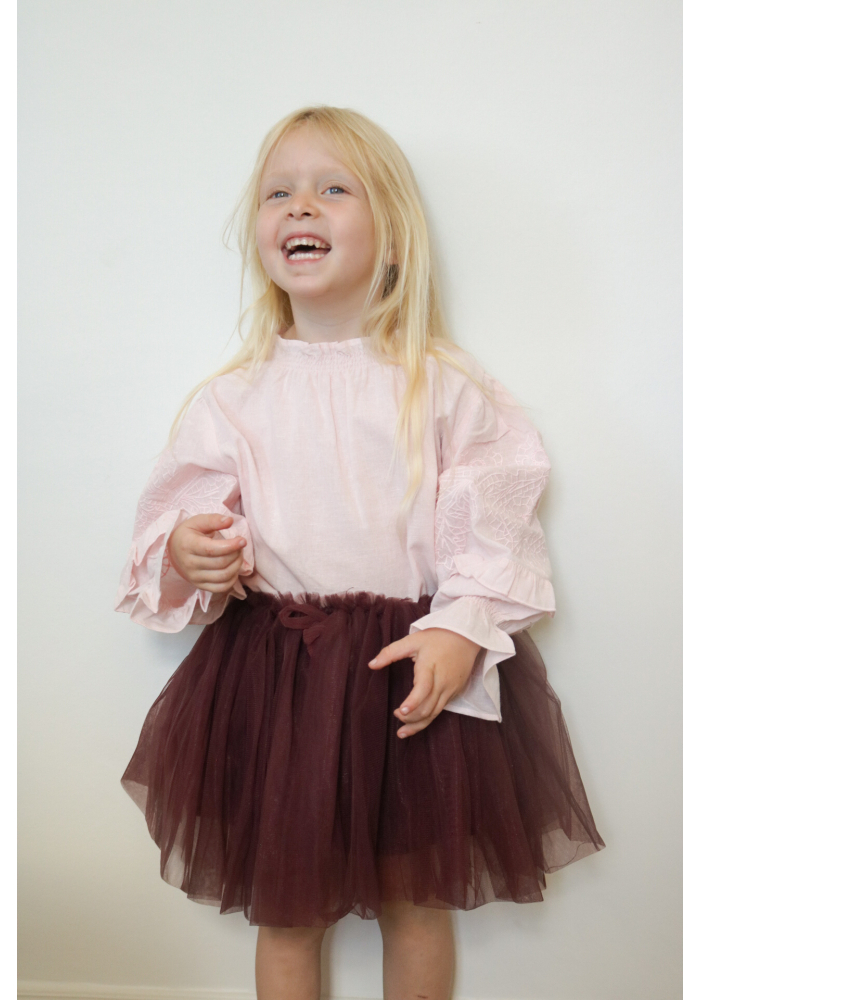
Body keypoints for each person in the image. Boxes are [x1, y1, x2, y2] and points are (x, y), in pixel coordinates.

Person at [115, 106, 604, 1000]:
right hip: (279, 684)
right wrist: (189, 550)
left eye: (332, 188)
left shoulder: (443, 385)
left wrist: (462, 624)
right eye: (278, 193)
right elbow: (181, 517)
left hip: (409, 676)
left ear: (393, 239)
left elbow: (496, 512)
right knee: (287, 914)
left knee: (416, 905)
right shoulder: (232, 401)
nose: (300, 206)